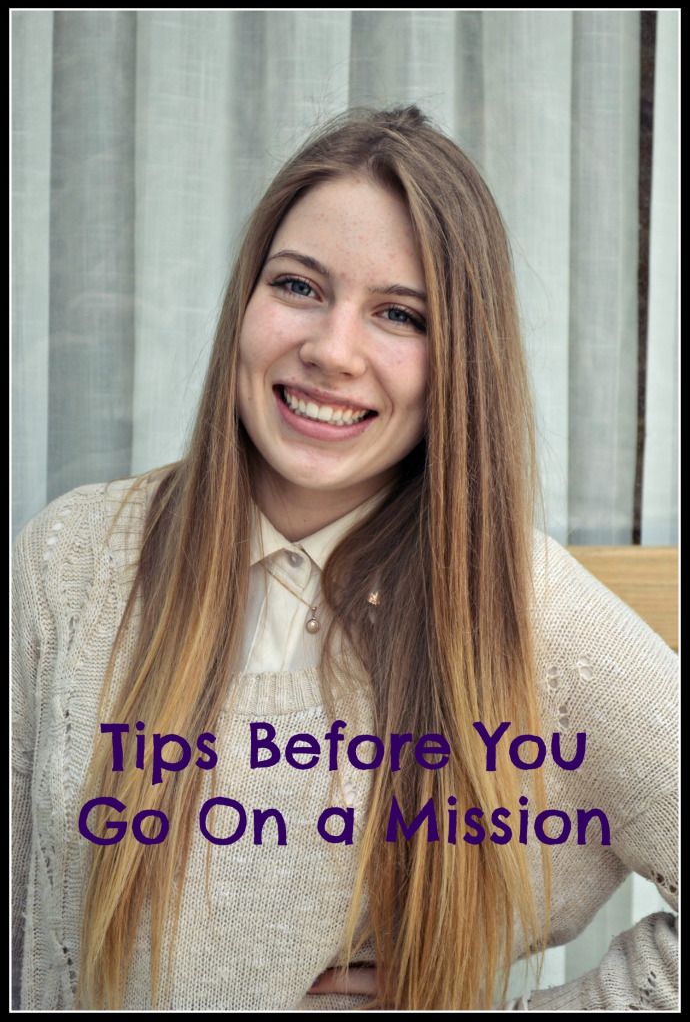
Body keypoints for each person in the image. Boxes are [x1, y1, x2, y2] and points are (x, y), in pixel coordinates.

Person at [12, 105, 678, 1011]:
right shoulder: (71, 560)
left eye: (399, 314)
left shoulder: (522, 608)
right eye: (299, 287)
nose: (331, 351)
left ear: (459, 361)